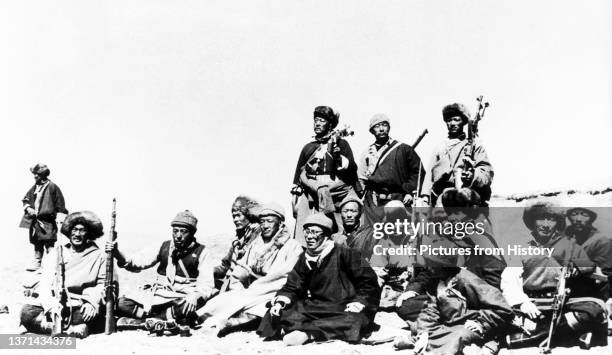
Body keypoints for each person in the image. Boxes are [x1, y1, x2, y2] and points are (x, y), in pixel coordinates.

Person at [258, 213, 381, 346]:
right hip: (318, 306)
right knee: (277, 311)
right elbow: (293, 286)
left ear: (327, 235)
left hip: (345, 306)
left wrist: (359, 302)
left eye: (315, 232)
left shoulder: (346, 254)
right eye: (307, 232)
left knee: (354, 319)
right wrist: (281, 301)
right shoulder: (305, 258)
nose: (309, 236)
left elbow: (369, 284)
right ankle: (317, 330)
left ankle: (310, 333)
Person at [500, 202, 608, 349]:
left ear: (558, 223)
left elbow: (588, 265)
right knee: (501, 315)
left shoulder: (568, 245)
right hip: (531, 305)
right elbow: (509, 281)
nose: (545, 224)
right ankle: (569, 333)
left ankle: (534, 335)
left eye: (551, 219)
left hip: (561, 304)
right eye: (541, 218)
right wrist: (523, 303)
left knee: (596, 309)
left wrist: (577, 268)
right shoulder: (522, 247)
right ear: (532, 221)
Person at [196, 203, 303, 335]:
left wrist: (257, 289)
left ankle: (230, 324)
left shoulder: (293, 246)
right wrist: (238, 289)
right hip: (249, 291)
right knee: (219, 301)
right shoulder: (255, 244)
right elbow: (241, 269)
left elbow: (285, 277)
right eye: (262, 221)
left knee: (260, 310)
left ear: (280, 223)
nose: (265, 225)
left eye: (270, 221)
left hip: (273, 292)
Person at [107, 210, 217, 328]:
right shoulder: (164, 247)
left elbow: (206, 284)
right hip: (159, 295)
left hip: (182, 297)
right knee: (122, 303)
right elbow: (138, 261)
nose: (178, 235)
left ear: (192, 233)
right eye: (175, 231)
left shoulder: (202, 252)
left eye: (183, 232)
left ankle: (146, 321)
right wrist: (117, 253)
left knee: (189, 308)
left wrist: (195, 296)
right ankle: (158, 319)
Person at [20, 211, 109, 338]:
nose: (77, 234)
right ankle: (64, 329)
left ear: (88, 233)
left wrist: (91, 302)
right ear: (69, 232)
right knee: (27, 313)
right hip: (57, 302)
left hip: (80, 303)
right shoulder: (57, 253)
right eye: (74, 230)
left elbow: (102, 284)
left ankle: (55, 326)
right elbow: (45, 282)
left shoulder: (99, 256)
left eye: (82, 230)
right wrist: (51, 306)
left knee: (90, 315)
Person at [393, 264, 513, 355]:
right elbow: (430, 308)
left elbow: (503, 309)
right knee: (428, 329)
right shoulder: (438, 279)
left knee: (458, 336)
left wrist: (482, 323)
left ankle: (487, 341)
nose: (428, 268)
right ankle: (422, 338)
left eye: (431, 264)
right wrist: (424, 332)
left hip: (472, 321)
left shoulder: (466, 279)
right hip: (451, 320)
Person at [291, 106, 358, 244]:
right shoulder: (308, 148)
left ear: (330, 124)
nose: (317, 124)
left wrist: (338, 156)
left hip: (336, 194)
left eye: (322, 120)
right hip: (311, 194)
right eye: (316, 120)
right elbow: (299, 175)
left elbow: (351, 170)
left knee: (337, 234)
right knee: (307, 233)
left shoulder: (341, 144)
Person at [420, 103, 494, 207]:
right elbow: (429, 175)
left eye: (456, 119)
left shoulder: (475, 146)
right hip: (444, 197)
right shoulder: (440, 148)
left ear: (463, 122)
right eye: (449, 120)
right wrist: (425, 197)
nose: (452, 123)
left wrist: (473, 175)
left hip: (469, 196)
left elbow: (487, 173)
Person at [359, 114, 424, 223]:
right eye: (377, 126)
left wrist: (409, 191)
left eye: (384, 125)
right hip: (373, 201)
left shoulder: (403, 149)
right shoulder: (367, 152)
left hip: (397, 198)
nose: (381, 129)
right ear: (372, 131)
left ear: (389, 127)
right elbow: (361, 178)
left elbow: (418, 171)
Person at [20, 163, 68, 271]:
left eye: (37, 174)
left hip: (48, 221)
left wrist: (60, 216)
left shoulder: (52, 187)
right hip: (35, 221)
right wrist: (28, 208)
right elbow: (26, 199)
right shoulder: (34, 187)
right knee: (37, 242)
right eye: (34, 174)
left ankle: (52, 264)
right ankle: (37, 262)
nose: (35, 176)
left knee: (49, 243)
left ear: (43, 174)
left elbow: (60, 203)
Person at [214, 195, 261, 290]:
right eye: (233, 216)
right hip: (231, 283)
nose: (235, 220)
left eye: (238, 215)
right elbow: (226, 266)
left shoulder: (258, 235)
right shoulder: (239, 239)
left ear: (248, 215)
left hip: (247, 286)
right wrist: (208, 271)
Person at [331, 193, 375, 261]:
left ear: (360, 213)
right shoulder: (335, 238)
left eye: (353, 211)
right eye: (345, 211)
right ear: (340, 214)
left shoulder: (370, 235)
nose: (349, 215)